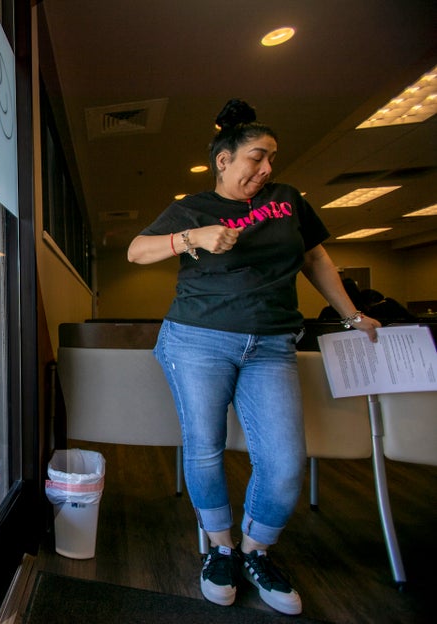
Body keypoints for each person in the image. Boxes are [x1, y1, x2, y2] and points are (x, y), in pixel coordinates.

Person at [126, 99, 380, 615]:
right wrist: (190, 237)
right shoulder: (193, 207)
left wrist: (353, 315)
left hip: (272, 344)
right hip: (198, 339)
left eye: (271, 160)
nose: (266, 169)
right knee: (205, 447)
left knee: (285, 462)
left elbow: (315, 257)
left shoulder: (288, 200)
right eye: (257, 158)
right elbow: (136, 250)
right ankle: (220, 549)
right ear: (224, 160)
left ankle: (256, 551)